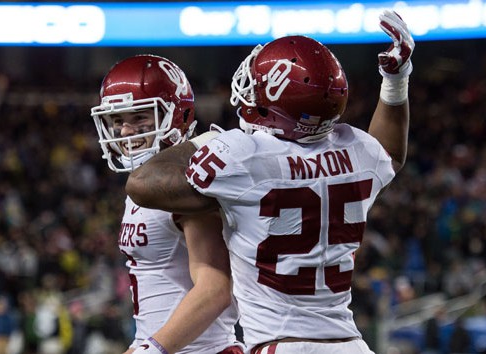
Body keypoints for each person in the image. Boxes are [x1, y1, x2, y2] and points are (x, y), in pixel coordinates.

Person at [126, 10, 414, 354]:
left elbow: (141, 183)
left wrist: (201, 140)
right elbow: (390, 154)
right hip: (351, 344)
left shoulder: (242, 154)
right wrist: (396, 81)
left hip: (283, 345)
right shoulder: (356, 148)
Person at [91, 54, 243, 354]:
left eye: (139, 118)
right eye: (118, 120)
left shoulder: (182, 183)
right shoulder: (146, 183)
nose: (125, 131)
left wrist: (155, 348)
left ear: (178, 116)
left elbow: (214, 289)